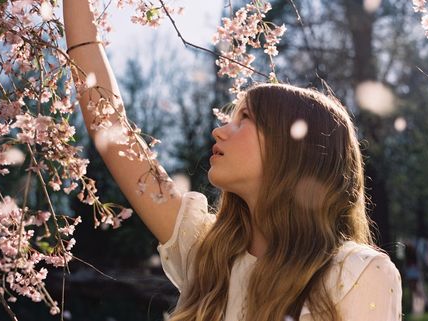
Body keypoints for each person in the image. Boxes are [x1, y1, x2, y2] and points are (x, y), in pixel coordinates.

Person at [64, 1, 402, 320]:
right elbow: (110, 128)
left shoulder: (358, 273)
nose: (219, 131)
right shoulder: (208, 256)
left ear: (293, 149)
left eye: (245, 119)